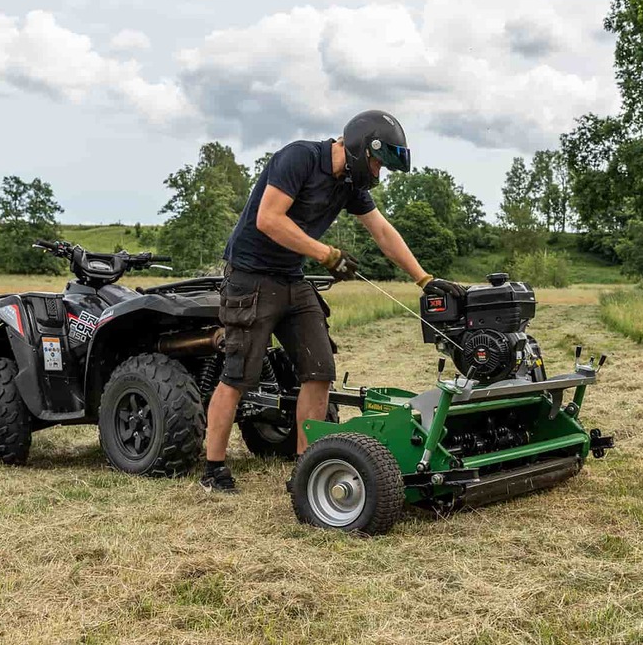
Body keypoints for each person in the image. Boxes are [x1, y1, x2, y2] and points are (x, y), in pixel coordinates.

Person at [200, 110, 466, 492]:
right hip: (251, 278)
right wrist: (325, 253)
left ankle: (306, 468)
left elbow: (382, 231)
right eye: (377, 163)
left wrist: (423, 278)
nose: (378, 173)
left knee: (320, 371)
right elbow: (268, 219)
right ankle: (214, 470)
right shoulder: (299, 158)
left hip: (293, 279)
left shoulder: (349, 186)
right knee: (239, 377)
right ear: (361, 148)